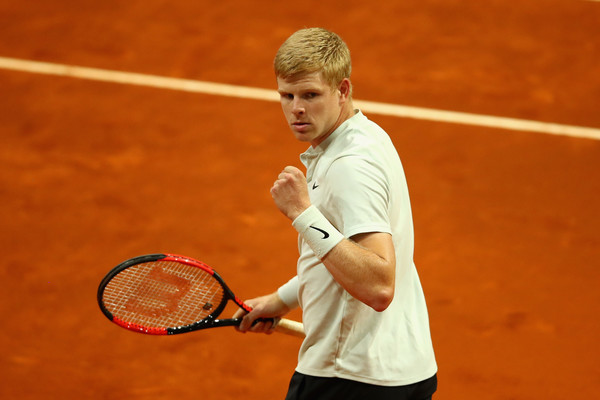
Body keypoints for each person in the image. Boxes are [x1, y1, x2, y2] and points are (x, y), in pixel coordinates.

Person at [233, 27, 438, 400]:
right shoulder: (367, 135)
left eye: (311, 95)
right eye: (287, 95)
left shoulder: (348, 166)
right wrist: (281, 300)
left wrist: (301, 213)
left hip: (350, 378)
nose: (296, 108)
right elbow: (345, 256)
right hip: (398, 370)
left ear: (342, 90)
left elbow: (377, 285)